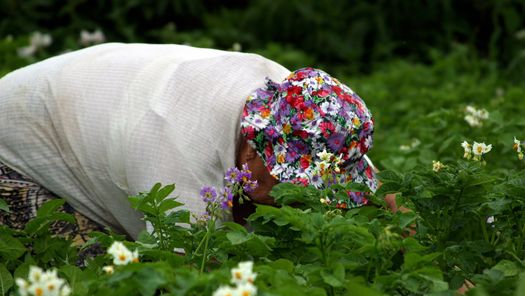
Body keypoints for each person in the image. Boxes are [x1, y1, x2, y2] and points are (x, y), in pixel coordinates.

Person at [0, 43, 378, 241]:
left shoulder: (301, 105)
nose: (317, 193)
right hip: (18, 137)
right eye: (298, 181)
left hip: (92, 94)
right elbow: (189, 280)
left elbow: (377, 192)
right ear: (250, 153)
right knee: (98, 275)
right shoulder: (178, 155)